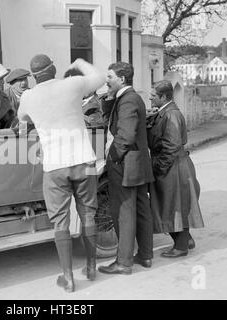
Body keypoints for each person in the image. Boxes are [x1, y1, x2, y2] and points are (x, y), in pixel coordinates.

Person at [18, 55, 105, 293]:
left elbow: (22, 119)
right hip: (84, 160)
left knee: (60, 221)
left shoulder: (27, 96)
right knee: (88, 213)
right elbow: (100, 77)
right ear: (53, 69)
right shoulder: (72, 85)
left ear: (34, 76)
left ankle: (68, 278)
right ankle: (91, 267)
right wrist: (78, 62)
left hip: (55, 166)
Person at [98, 62, 154, 275]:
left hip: (125, 164)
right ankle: (146, 256)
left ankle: (123, 262)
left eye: (110, 77)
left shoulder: (128, 100)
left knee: (124, 212)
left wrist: (112, 157)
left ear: (122, 79)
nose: (107, 80)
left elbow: (126, 135)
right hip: (138, 163)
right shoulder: (130, 98)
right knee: (141, 209)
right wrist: (110, 98)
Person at [147, 80, 204, 258]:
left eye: (153, 95)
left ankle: (181, 247)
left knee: (175, 205)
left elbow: (171, 146)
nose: (150, 97)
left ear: (164, 97)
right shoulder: (165, 112)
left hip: (173, 166)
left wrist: (157, 168)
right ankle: (185, 240)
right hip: (173, 165)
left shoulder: (171, 115)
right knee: (174, 203)